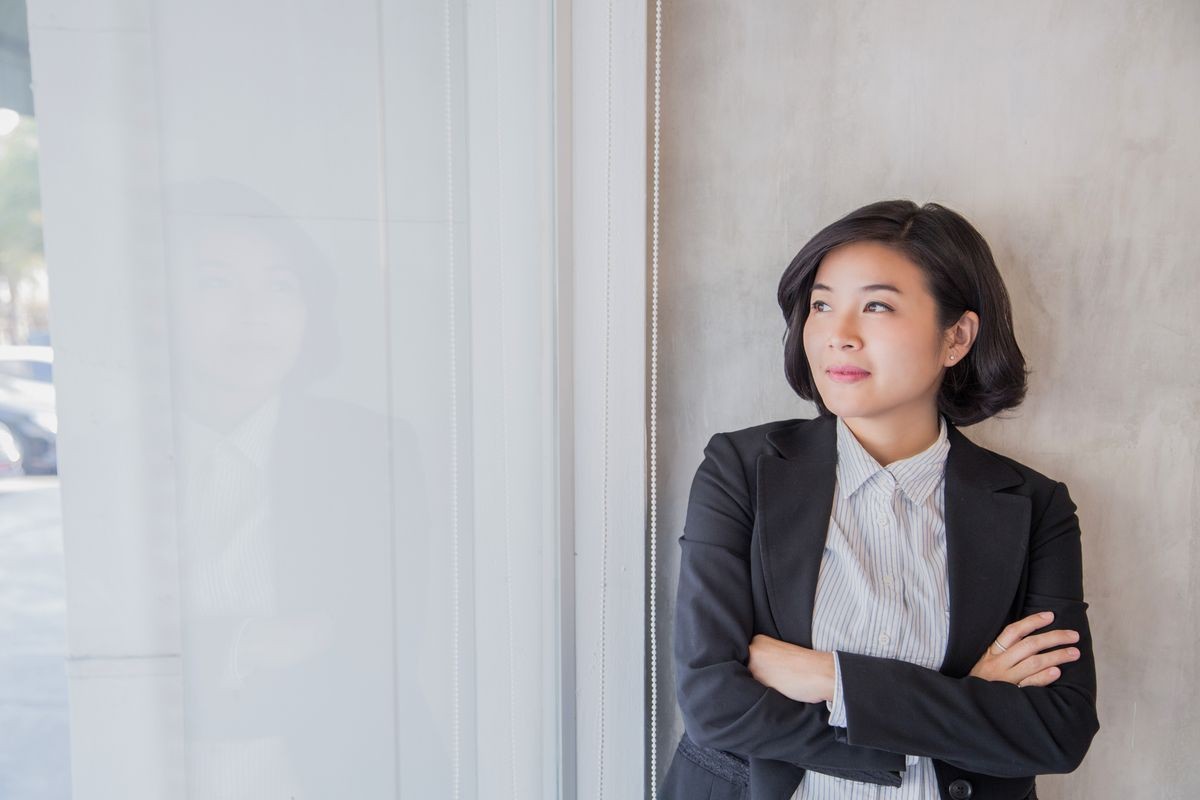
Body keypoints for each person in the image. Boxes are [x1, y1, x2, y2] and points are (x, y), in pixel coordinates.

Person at [659, 200, 1099, 800]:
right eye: (821, 304)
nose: (837, 335)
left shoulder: (1034, 506)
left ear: (956, 337)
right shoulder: (741, 471)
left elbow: (1057, 732)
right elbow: (715, 703)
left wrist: (827, 677)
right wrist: (963, 701)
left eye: (876, 306)